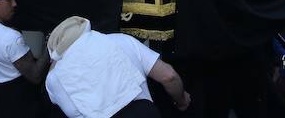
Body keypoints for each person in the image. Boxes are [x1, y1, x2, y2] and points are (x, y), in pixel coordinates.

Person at [46, 16, 190, 117]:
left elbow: (69, 110)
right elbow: (168, 76)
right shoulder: (120, 41)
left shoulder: (53, 79)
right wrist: (182, 101)